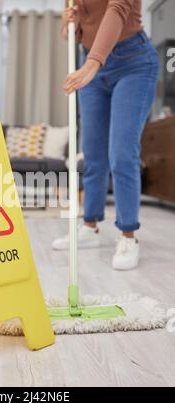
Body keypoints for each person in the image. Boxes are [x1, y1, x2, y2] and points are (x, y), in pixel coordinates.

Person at [52, 0, 159, 270]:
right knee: (93, 154)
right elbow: (76, 32)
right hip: (91, 62)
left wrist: (92, 63)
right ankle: (89, 227)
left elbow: (118, 9)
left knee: (121, 153)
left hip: (132, 63)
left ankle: (127, 236)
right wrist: (69, 23)